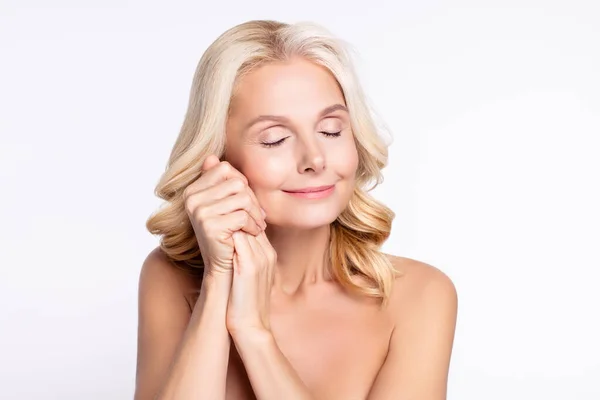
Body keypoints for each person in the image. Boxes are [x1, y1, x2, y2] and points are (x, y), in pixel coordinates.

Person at [134, 19, 458, 400]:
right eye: (275, 139)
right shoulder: (169, 277)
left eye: (331, 130)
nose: (315, 158)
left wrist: (254, 334)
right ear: (219, 159)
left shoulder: (419, 296)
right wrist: (219, 282)